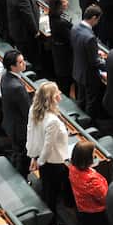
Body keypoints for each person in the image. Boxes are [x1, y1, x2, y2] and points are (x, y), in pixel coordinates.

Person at [27, 82, 70, 213]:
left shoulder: (34, 108)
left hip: (42, 158)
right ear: (51, 98)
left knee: (48, 189)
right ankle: (52, 223)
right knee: (52, 194)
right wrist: (40, 162)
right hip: (53, 161)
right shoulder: (53, 121)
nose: (60, 94)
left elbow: (31, 133)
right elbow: (48, 146)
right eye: (57, 93)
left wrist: (33, 156)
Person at [69, 139, 110, 225]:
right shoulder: (92, 180)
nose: (95, 156)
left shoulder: (73, 168)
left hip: (82, 210)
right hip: (97, 215)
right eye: (93, 154)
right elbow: (104, 198)